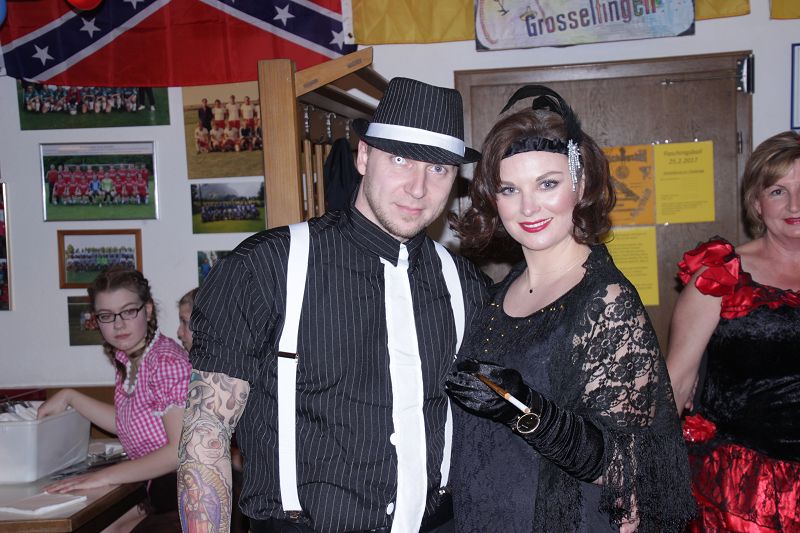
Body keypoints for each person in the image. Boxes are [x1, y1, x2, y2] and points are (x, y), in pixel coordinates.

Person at [178, 77, 488, 533]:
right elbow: (206, 435)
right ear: (363, 156)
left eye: (438, 168)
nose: (417, 187)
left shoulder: (468, 286)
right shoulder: (265, 267)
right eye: (400, 159)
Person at [446, 85, 695, 532]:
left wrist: (523, 408)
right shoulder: (499, 292)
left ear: (580, 185)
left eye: (548, 184)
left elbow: (627, 464)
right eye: (509, 189)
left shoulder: (606, 300)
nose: (528, 207)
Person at [666, 130, 800, 532]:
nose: (794, 205)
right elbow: (676, 383)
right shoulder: (721, 275)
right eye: (777, 191)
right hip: (742, 490)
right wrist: (647, 478)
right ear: (757, 203)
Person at [38, 267, 191, 531]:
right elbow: (127, 422)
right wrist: (70, 396)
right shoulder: (129, 359)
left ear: (148, 310)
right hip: (159, 489)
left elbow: (178, 452)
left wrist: (103, 476)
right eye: (106, 316)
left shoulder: (166, 362)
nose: (118, 324)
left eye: (128, 311)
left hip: (186, 496)